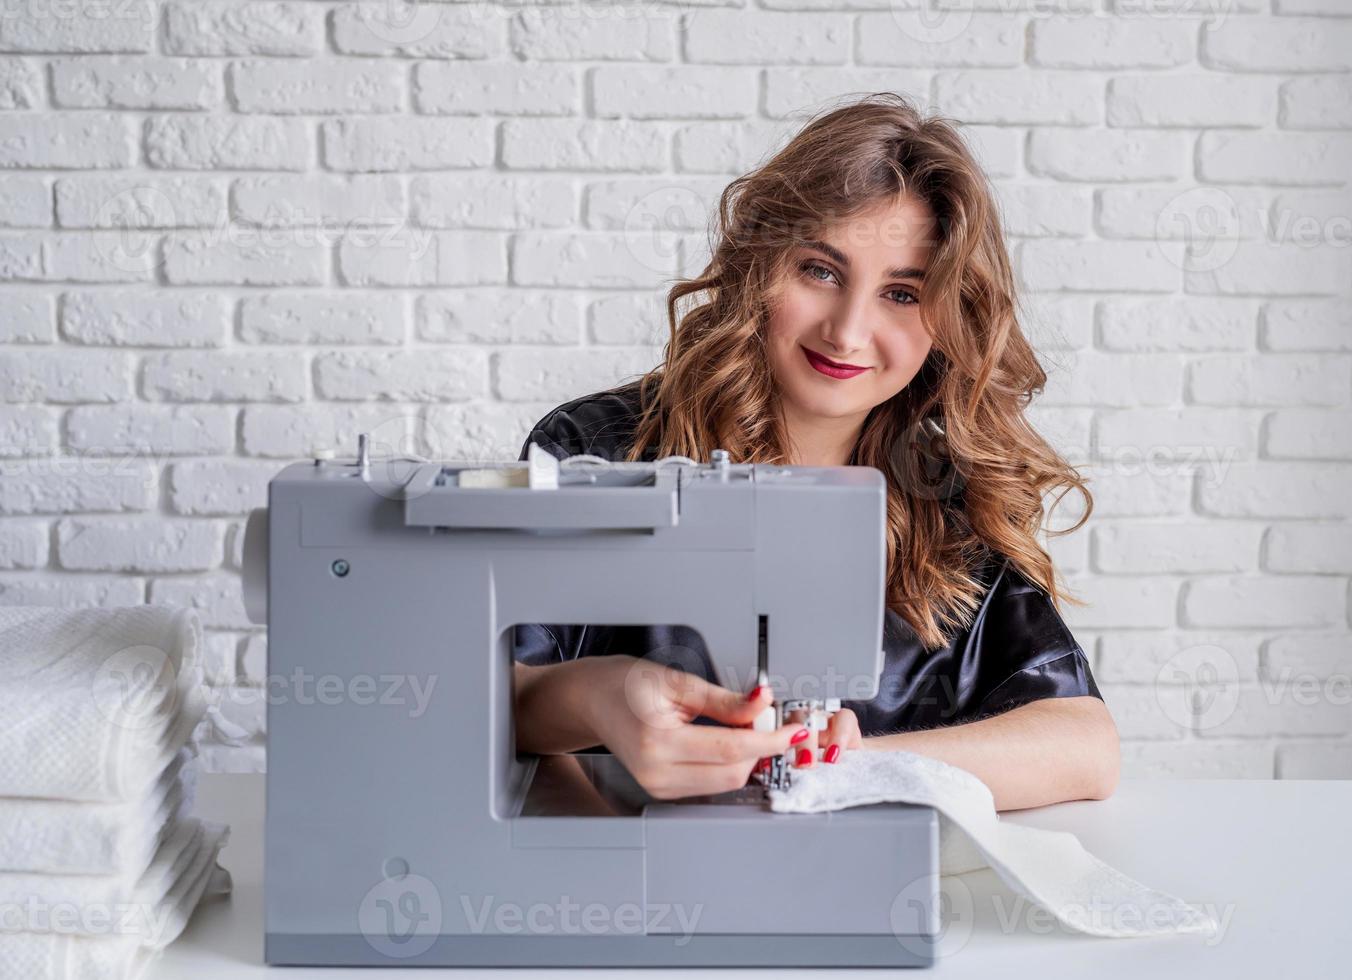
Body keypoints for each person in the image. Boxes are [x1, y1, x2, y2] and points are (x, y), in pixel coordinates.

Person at [511, 93, 1119, 812]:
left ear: (948, 321)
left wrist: (843, 765)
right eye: (821, 272)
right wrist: (602, 696)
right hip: (623, 880)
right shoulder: (598, 450)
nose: (848, 331)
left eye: (901, 292)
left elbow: (1084, 744)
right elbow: (501, 693)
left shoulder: (947, 498)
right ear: (759, 268)